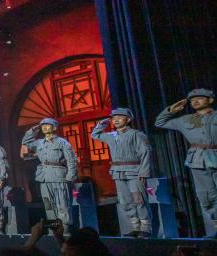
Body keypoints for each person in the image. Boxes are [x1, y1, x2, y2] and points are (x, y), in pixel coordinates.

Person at [155, 89, 217, 236]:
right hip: (198, 160)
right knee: (206, 196)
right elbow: (160, 122)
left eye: (200, 98)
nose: (195, 101)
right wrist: (171, 110)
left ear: (210, 100)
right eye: (192, 100)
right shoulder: (185, 120)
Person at [91, 108, 153, 237]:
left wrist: (144, 172)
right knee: (125, 200)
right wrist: (102, 124)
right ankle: (135, 226)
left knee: (139, 199)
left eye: (119, 117)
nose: (116, 120)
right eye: (114, 118)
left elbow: (146, 153)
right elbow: (95, 135)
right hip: (118, 172)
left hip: (134, 171)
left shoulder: (136, 134)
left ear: (128, 119)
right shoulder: (111, 136)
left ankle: (146, 228)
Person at [21, 118, 78, 234]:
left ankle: (65, 230)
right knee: (48, 205)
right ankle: (54, 230)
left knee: (62, 204)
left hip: (59, 176)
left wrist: (70, 177)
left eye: (48, 125)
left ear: (54, 127)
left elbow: (72, 160)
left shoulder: (62, 142)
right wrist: (34, 129)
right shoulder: (39, 143)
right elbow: (26, 142)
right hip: (44, 177)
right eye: (43, 125)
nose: (45, 127)